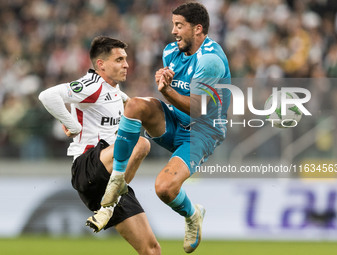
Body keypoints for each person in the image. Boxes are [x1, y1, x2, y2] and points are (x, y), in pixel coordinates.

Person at [88, 2, 231, 253]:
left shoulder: (210, 60)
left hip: (202, 131)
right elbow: (173, 88)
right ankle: (117, 179)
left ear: (198, 29)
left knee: (164, 189)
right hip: (175, 120)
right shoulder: (170, 52)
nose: (174, 31)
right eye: (173, 24)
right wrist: (165, 81)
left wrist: (166, 89)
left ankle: (193, 214)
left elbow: (199, 109)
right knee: (134, 105)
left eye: (179, 25)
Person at [39, 36, 161, 255]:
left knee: (151, 250)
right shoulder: (91, 85)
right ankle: (111, 202)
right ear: (101, 64)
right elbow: (48, 96)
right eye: (119, 59)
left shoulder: (116, 92)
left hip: (109, 175)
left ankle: (109, 205)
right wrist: (72, 125)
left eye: (126, 59)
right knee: (140, 144)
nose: (126, 64)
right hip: (88, 168)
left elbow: (126, 103)